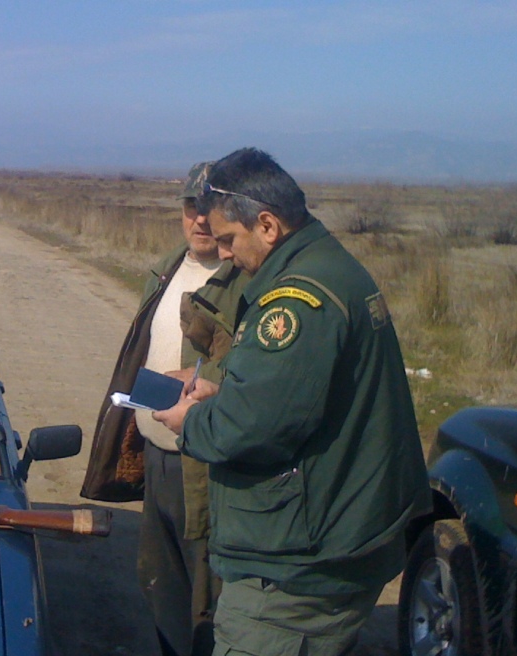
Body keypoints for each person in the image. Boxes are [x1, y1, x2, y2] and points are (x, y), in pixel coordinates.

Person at [153, 147, 431, 656]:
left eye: (230, 240)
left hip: (297, 571)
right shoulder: (326, 266)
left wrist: (193, 420)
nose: (226, 255)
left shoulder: (298, 299)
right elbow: (294, 397)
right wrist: (225, 392)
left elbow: (249, 426)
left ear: (266, 225)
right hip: (328, 538)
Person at [81, 162, 250, 656]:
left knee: (206, 597)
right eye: (191, 207)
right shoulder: (169, 266)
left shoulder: (243, 280)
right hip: (158, 457)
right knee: (161, 582)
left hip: (206, 466)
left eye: (210, 210)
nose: (200, 220)